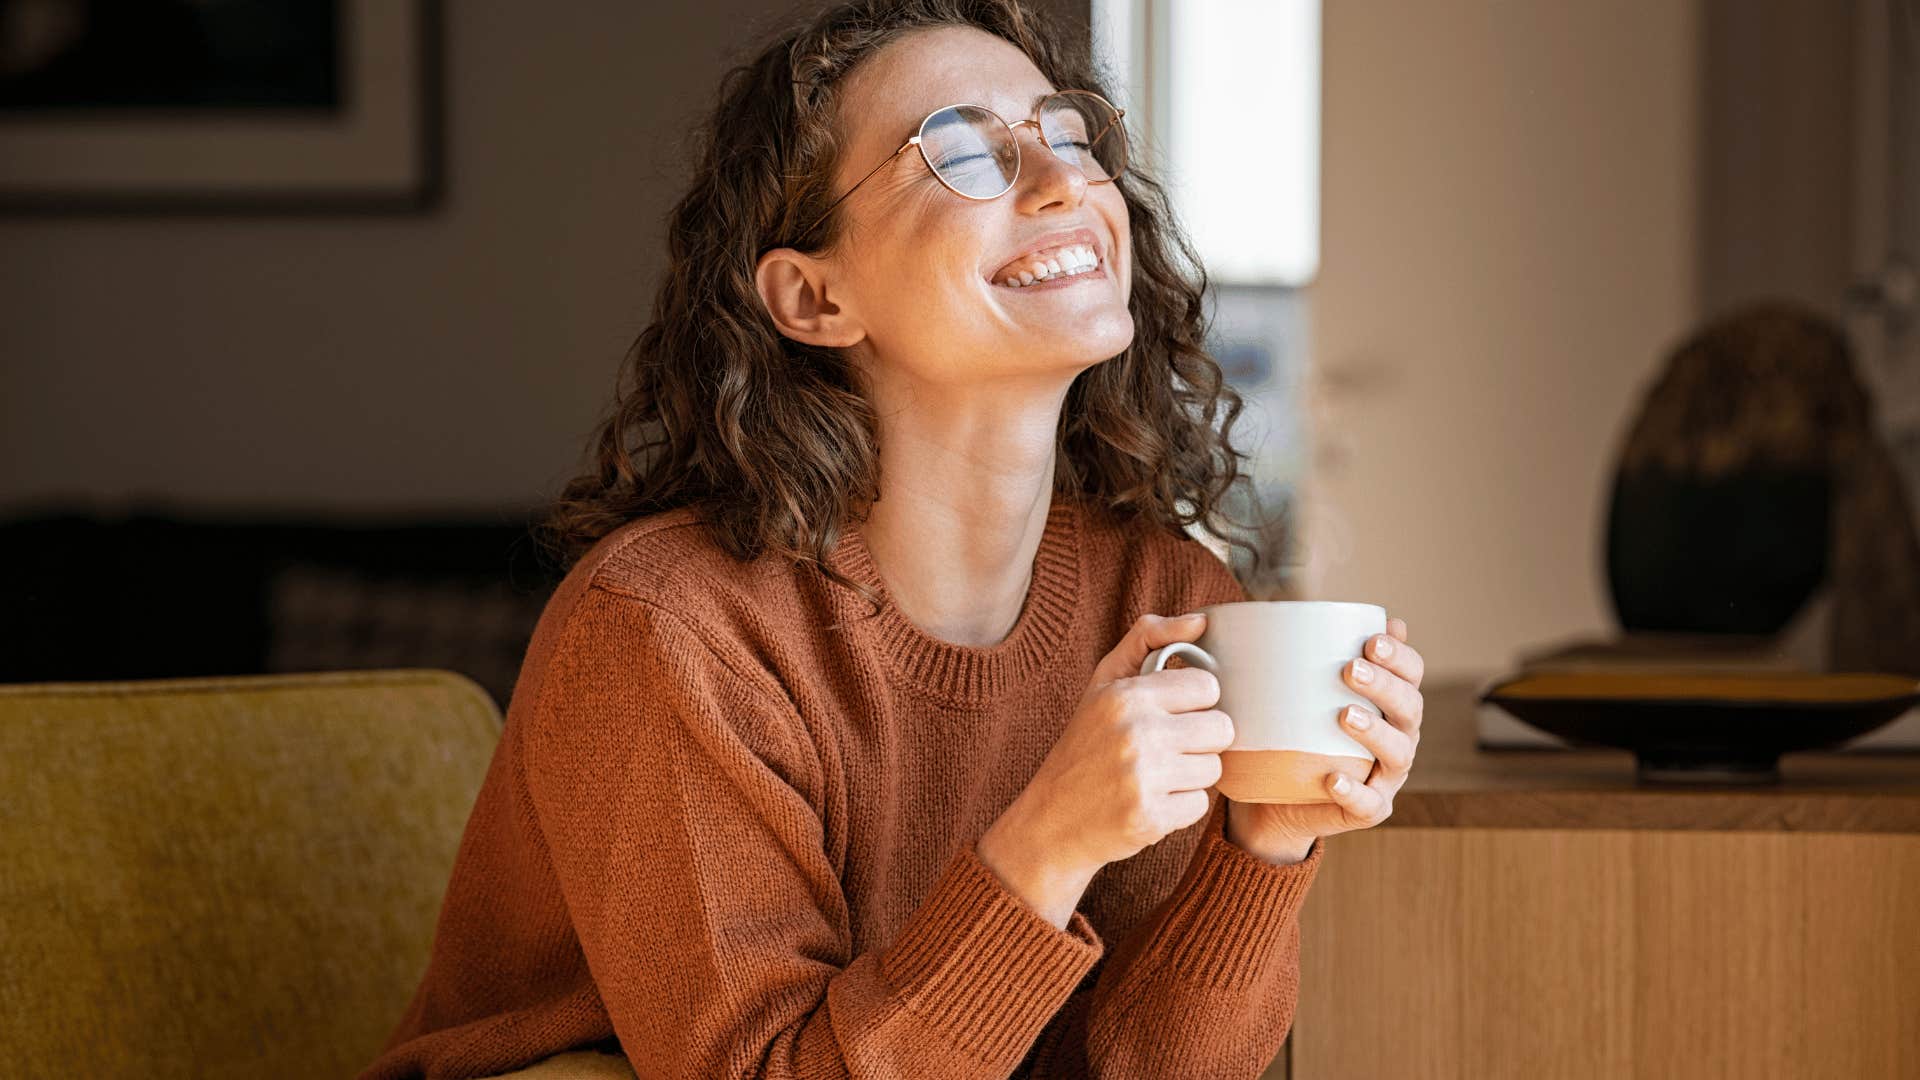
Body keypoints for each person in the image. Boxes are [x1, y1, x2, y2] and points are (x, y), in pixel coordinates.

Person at [360, 1, 1426, 1077]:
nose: (1064, 182)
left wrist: (1265, 843)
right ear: (814, 297)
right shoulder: (670, 631)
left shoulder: (1164, 592)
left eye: (1067, 132)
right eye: (960, 150)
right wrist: (1046, 844)